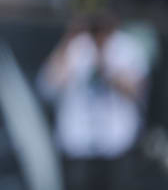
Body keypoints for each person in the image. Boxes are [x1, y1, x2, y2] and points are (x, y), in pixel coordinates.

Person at [37, 11, 151, 190]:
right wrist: (68, 39)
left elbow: (135, 91)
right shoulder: (74, 46)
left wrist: (104, 62)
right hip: (78, 145)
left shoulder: (128, 47)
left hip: (117, 144)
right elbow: (48, 86)